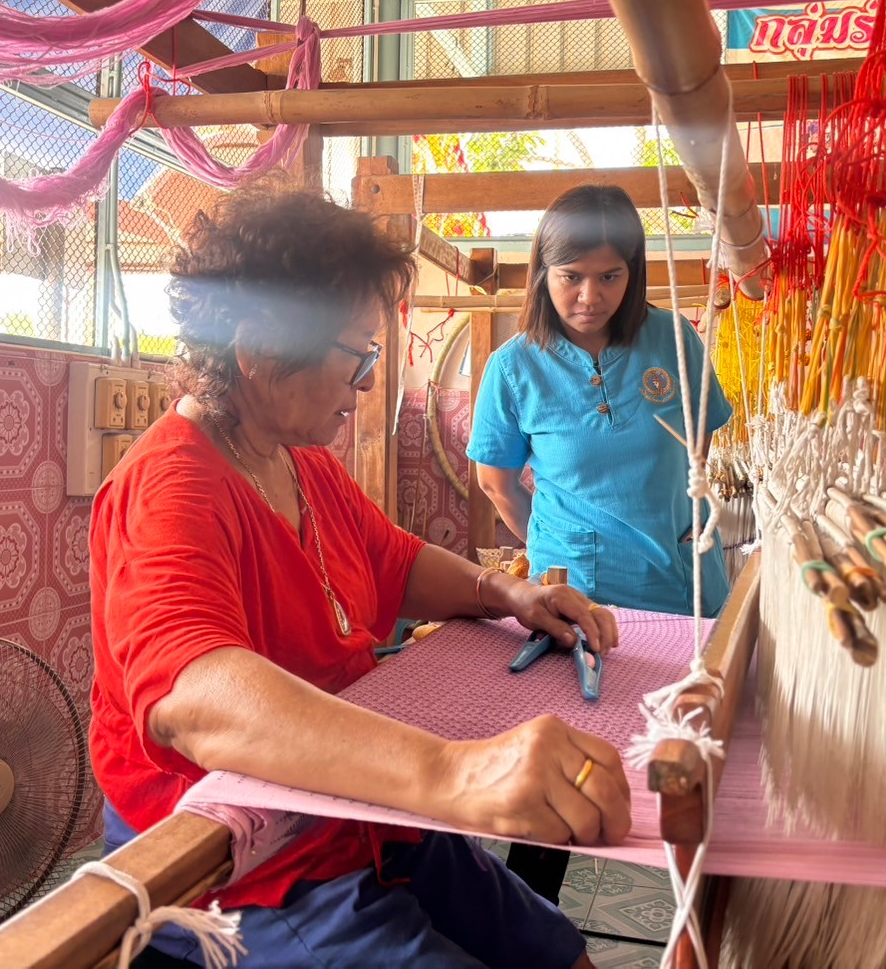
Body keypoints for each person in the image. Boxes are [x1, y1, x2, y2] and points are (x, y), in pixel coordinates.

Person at [89, 183, 630, 969]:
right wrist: (454, 769)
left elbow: (394, 560)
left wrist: (507, 593)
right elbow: (194, 700)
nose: (369, 382)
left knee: (556, 951)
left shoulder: (299, 462)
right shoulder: (170, 488)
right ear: (262, 350)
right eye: (359, 355)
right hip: (246, 857)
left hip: (354, 812)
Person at [466, 184, 733, 902]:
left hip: (681, 589)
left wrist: (686, 508)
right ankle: (531, 930)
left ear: (634, 271)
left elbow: (702, 442)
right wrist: (559, 546)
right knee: (561, 779)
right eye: (571, 276)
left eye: (609, 276)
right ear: (542, 272)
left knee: (694, 764)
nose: (589, 294)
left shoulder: (673, 341)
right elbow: (497, 482)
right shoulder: (514, 366)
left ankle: (700, 923)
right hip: (576, 602)